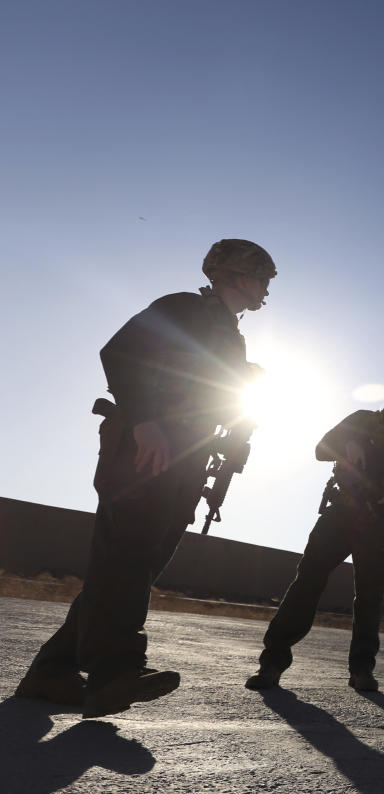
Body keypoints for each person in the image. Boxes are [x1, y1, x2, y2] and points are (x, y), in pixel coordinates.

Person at [14, 239, 277, 718]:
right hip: (147, 448)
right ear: (238, 276)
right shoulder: (184, 308)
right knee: (129, 560)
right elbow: (121, 352)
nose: (266, 289)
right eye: (263, 278)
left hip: (182, 456)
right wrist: (144, 421)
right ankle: (116, 672)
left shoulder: (228, 335)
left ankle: (50, 672)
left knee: (130, 567)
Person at [245, 371, 384, 693]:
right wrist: (348, 443)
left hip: (379, 522)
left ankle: (362, 670)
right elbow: (321, 449)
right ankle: (272, 664)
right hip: (342, 512)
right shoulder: (360, 420)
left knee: (370, 598)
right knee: (307, 581)